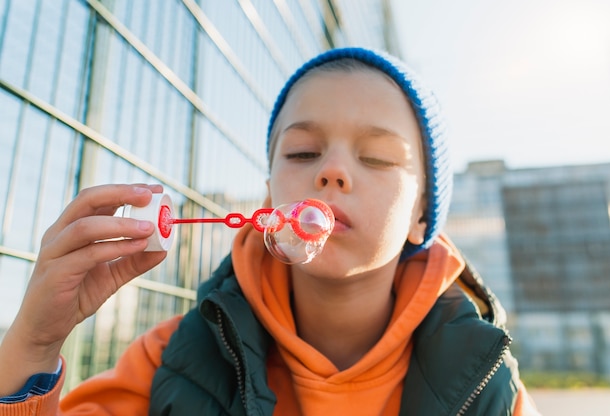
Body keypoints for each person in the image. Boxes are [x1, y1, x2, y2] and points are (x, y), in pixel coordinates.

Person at [0, 47, 540, 415]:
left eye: (376, 157)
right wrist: (32, 346)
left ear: (423, 213)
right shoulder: (171, 361)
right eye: (303, 152)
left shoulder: (488, 384)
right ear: (268, 198)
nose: (332, 171)